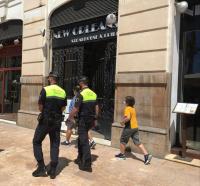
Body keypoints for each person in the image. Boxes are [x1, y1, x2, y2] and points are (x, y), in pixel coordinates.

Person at [32, 72, 67, 179]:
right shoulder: (63, 91)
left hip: (45, 120)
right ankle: (53, 170)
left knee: (36, 141)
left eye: (49, 77)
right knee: (55, 143)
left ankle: (41, 167)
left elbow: (40, 105)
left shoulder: (46, 89)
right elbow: (63, 108)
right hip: (57, 121)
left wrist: (44, 112)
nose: (48, 79)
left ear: (51, 78)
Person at [67, 76, 98, 172]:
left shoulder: (81, 94)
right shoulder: (93, 94)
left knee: (84, 142)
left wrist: (70, 117)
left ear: (81, 83)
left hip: (83, 120)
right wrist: (95, 118)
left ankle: (87, 165)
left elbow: (75, 109)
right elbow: (97, 108)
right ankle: (80, 158)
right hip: (90, 120)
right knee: (81, 139)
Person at [115, 96, 152, 165]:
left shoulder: (127, 108)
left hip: (129, 128)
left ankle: (122, 155)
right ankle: (146, 155)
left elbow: (128, 118)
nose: (124, 102)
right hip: (135, 127)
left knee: (122, 141)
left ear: (127, 102)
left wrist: (122, 122)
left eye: (125, 100)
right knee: (137, 142)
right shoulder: (133, 108)